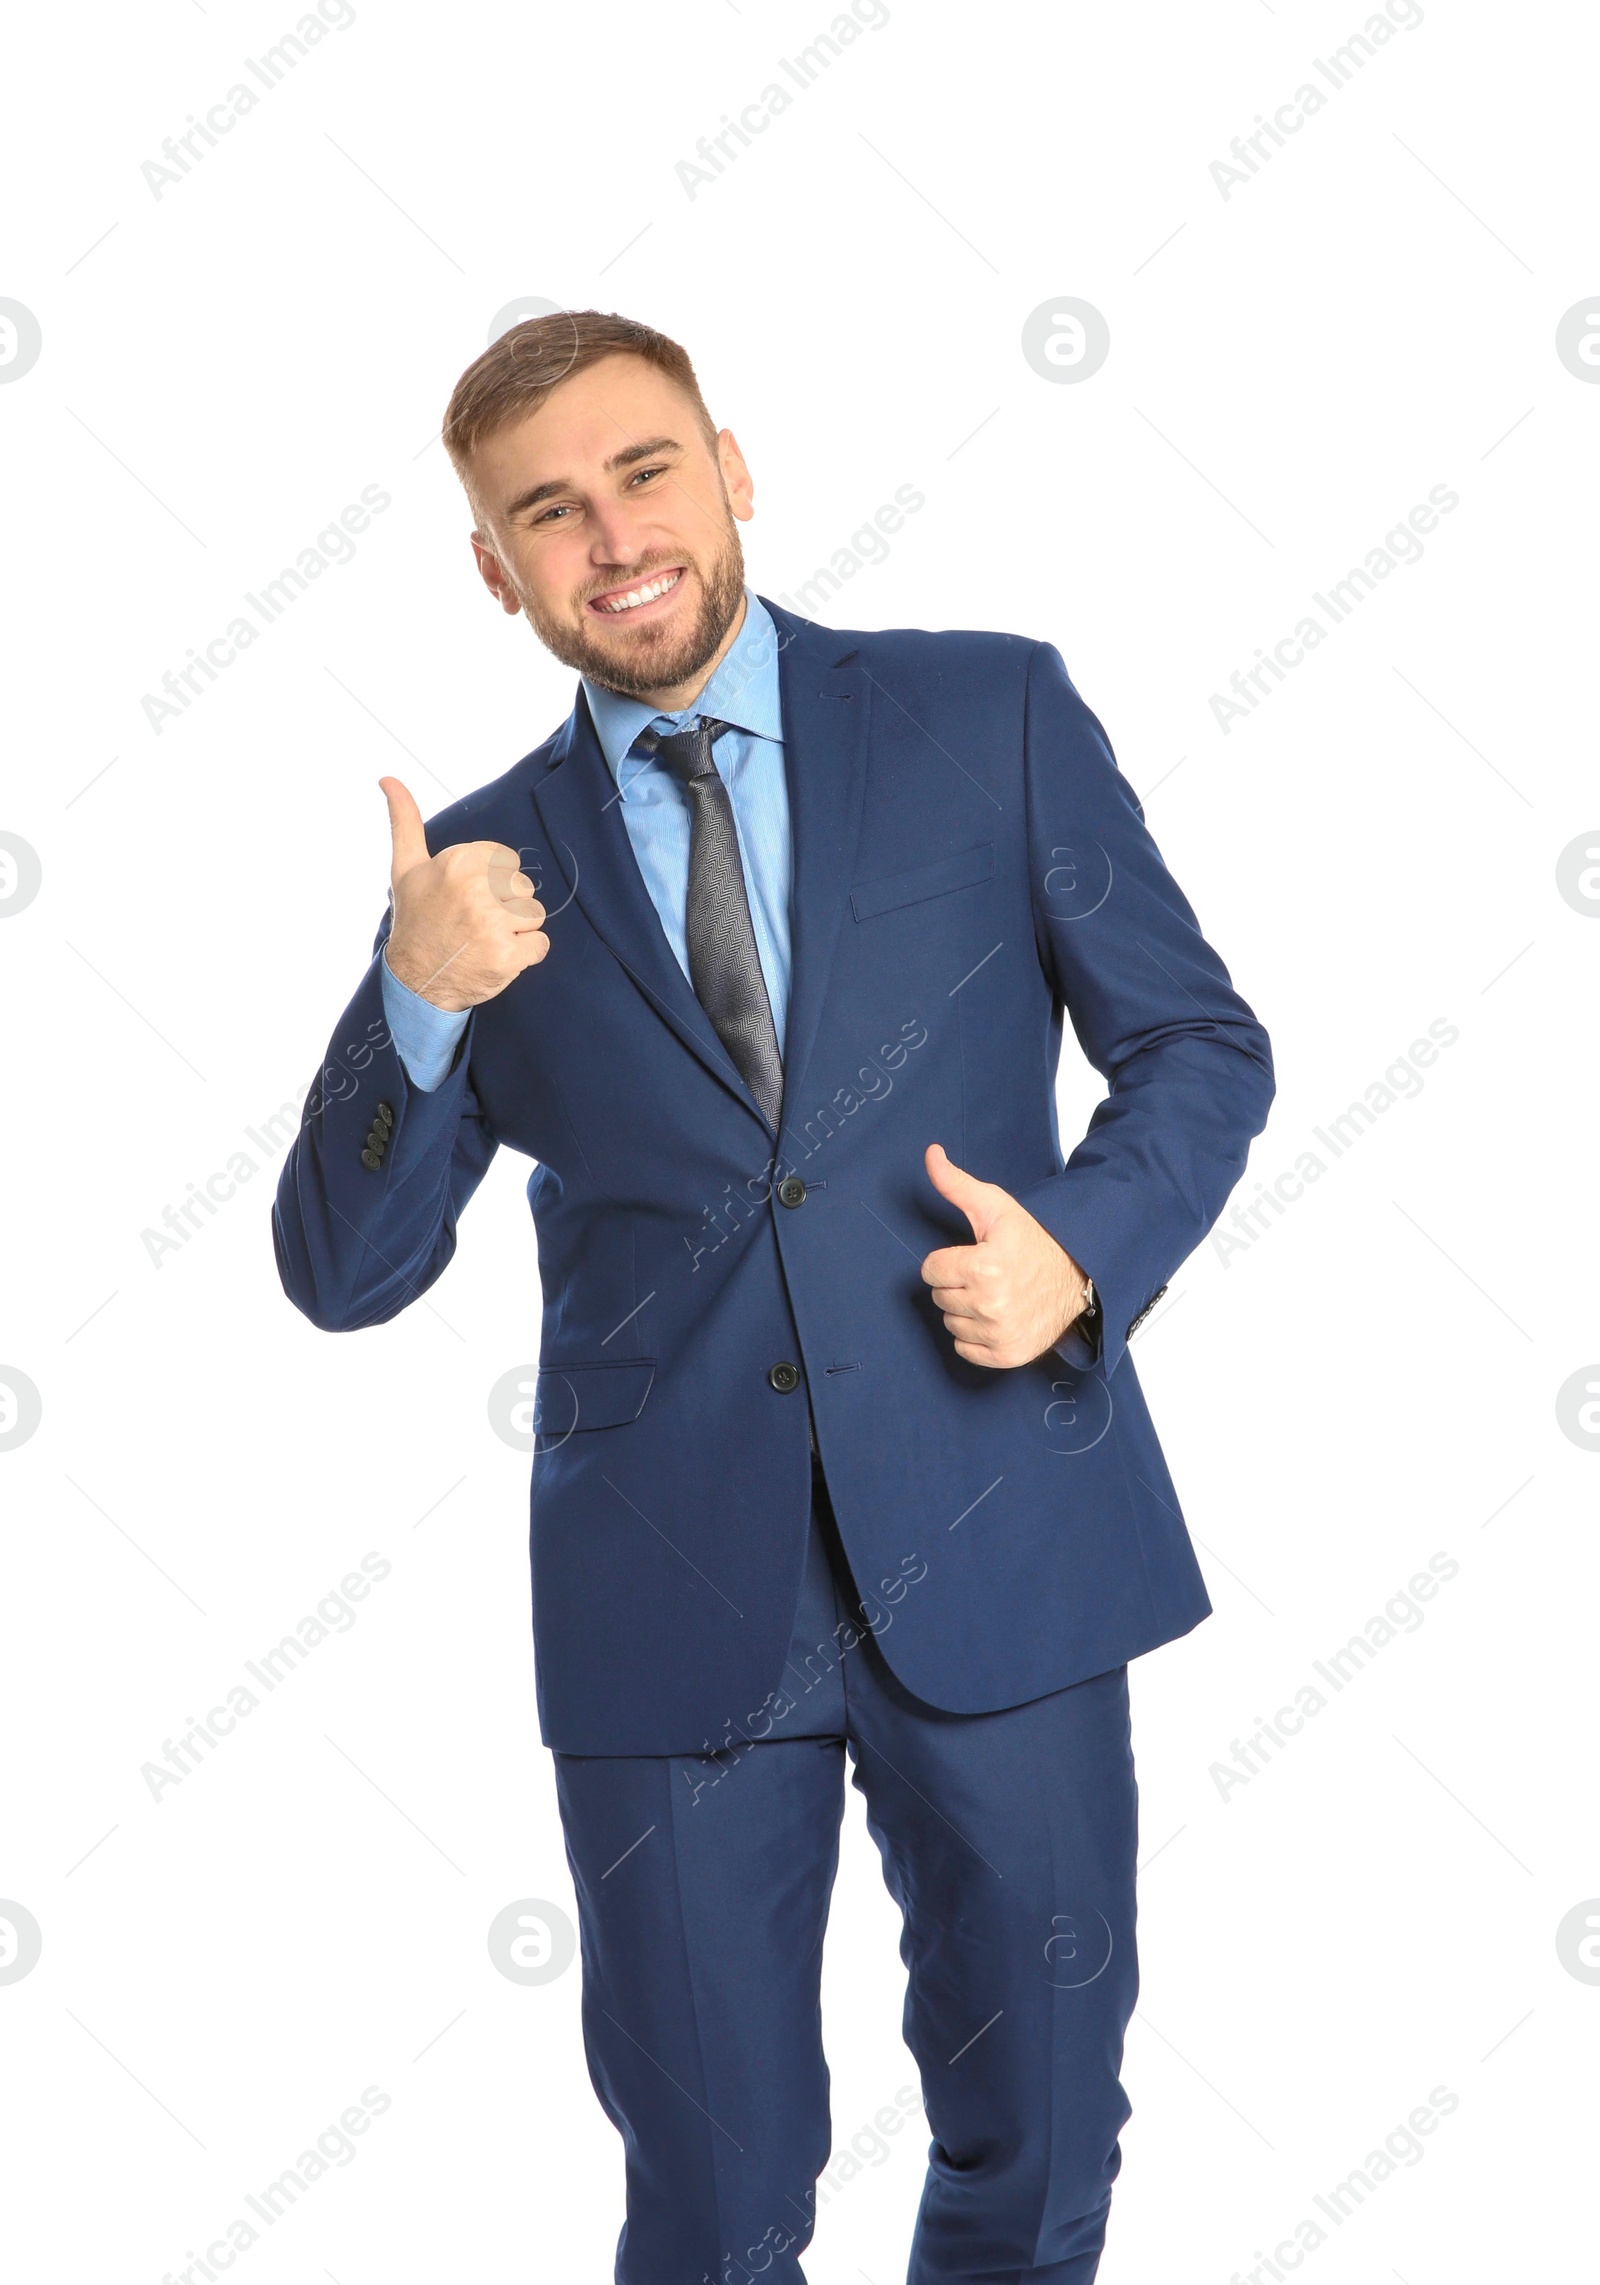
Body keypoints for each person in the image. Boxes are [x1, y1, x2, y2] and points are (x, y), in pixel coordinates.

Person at [273, 308, 1275, 2285]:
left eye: (642, 471)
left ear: (731, 468)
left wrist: (1080, 1247)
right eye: (543, 513)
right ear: (494, 569)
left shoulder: (984, 713)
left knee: (1044, 2138)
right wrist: (413, 999)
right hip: (672, 1604)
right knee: (717, 2204)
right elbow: (342, 1272)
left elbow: (1194, 1045)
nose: (610, 536)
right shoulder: (470, 873)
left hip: (1005, 1529)